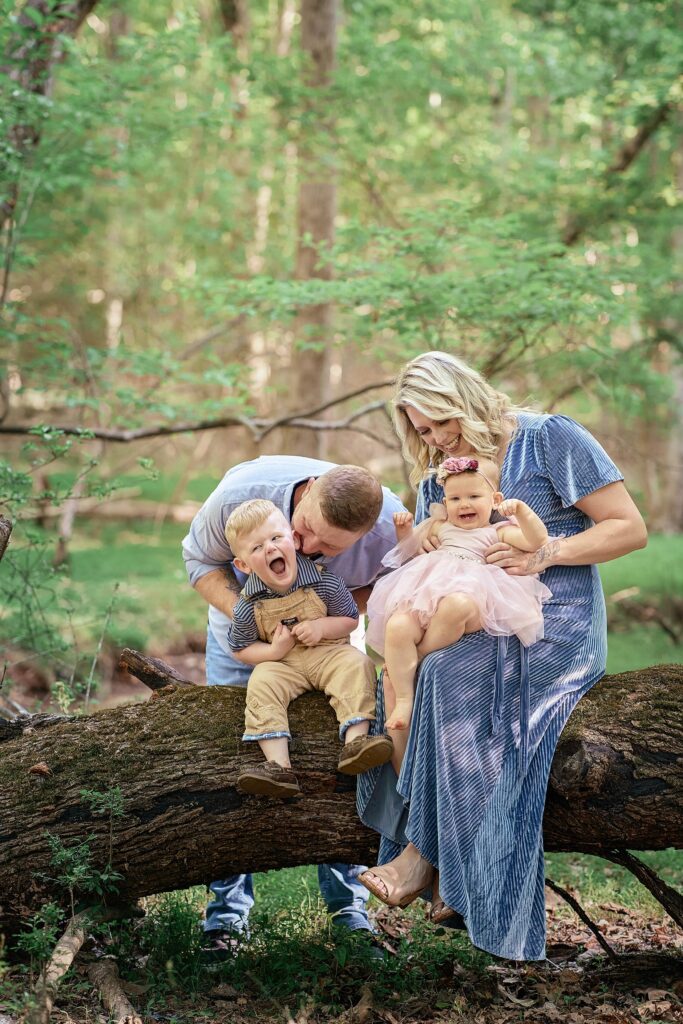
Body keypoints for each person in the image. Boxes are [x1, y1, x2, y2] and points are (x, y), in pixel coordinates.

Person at [357, 351, 647, 958]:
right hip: (472, 623)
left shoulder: (550, 439)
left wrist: (546, 553)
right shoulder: (442, 475)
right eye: (422, 431)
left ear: (463, 396)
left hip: (554, 628)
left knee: (445, 678)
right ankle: (444, 874)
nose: (433, 441)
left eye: (438, 423)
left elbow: (627, 527)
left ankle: (424, 859)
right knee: (420, 669)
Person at [182, 457, 406, 952]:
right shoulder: (242, 495)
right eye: (304, 531)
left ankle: (350, 908)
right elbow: (199, 562)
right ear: (304, 497)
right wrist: (255, 618)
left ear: (363, 537)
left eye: (329, 549)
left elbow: (391, 585)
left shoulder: (390, 528)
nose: (304, 549)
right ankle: (226, 916)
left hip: (330, 646)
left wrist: (328, 622)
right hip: (249, 649)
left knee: (348, 759)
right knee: (237, 758)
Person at [366, 455, 551, 734]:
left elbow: (537, 541)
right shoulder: (439, 526)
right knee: (399, 625)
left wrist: (522, 512)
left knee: (456, 605)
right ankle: (405, 699)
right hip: (427, 593)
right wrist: (404, 531)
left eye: (474, 496)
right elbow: (409, 552)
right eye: (454, 499)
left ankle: (419, 655)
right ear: (445, 503)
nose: (463, 504)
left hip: (474, 593)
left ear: (495, 499)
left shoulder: (498, 532)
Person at [224, 499, 393, 797]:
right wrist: (272, 653)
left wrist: (320, 627)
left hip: (328, 653)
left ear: (292, 537)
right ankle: (278, 766)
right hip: (284, 663)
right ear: (243, 564)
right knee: (262, 681)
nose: (271, 549)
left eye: (276, 538)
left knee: (357, 664)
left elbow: (350, 619)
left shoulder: (323, 581)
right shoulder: (248, 605)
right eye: (256, 547)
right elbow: (240, 648)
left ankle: (355, 742)